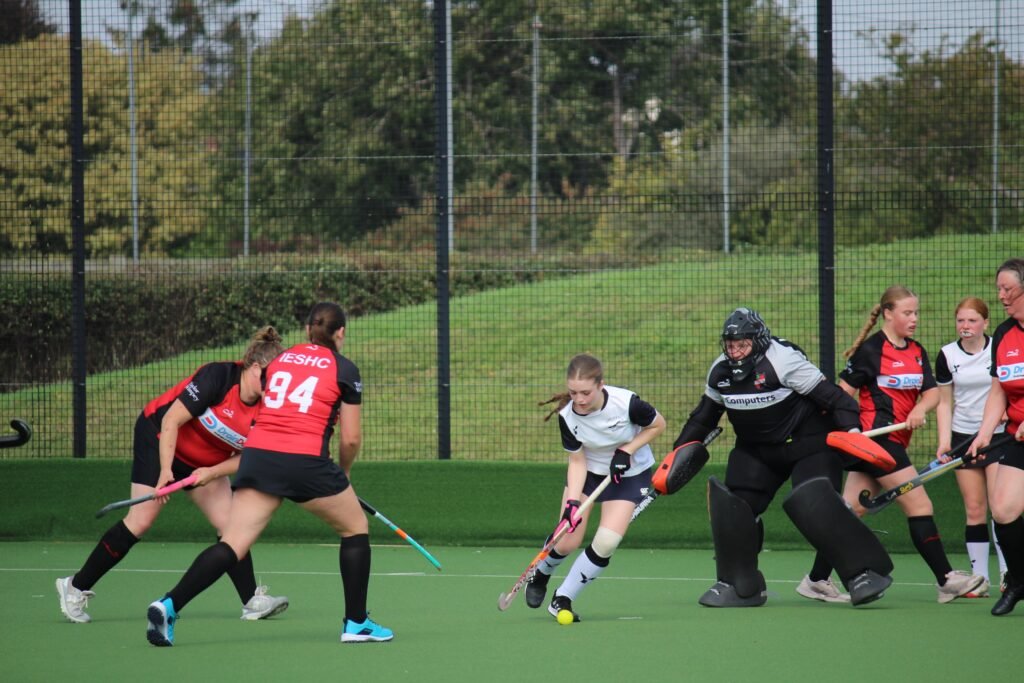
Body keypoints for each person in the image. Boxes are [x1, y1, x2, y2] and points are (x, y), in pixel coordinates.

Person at [145, 302, 392, 646]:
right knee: (354, 528)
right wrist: (343, 473)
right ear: (341, 333)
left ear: (307, 331)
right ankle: (357, 623)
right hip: (306, 462)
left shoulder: (278, 361)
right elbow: (350, 438)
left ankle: (168, 604)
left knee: (233, 542)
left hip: (258, 457)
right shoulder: (345, 369)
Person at [56, 327, 288, 624]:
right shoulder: (217, 378)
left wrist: (212, 472)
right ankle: (74, 587)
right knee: (141, 520)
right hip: (159, 438)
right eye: (272, 376)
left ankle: (251, 601)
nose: (277, 385)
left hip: (205, 459)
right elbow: (171, 420)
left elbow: (250, 457)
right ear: (254, 368)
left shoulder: (270, 406)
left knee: (232, 525)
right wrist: (166, 471)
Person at [674, 308, 894, 608]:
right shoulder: (720, 372)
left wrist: (853, 432)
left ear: (759, 341)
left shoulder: (783, 361)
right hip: (756, 450)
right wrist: (676, 454)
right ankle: (740, 585)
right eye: (730, 345)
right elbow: (704, 419)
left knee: (813, 503)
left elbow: (835, 398)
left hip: (809, 444)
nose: (735, 352)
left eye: (742, 345)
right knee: (733, 507)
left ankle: (864, 573)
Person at [807, 285, 984, 603]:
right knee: (920, 506)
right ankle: (945, 579)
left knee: (850, 512)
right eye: (907, 313)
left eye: (916, 312)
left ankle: (817, 579)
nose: (914, 318)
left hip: (894, 441)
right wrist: (845, 430)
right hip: (878, 442)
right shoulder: (871, 352)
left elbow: (931, 392)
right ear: (888, 314)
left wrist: (919, 408)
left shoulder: (916, 351)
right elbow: (840, 395)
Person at [525, 354, 665, 622]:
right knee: (568, 539)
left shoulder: (628, 404)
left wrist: (628, 450)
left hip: (630, 474)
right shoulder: (567, 416)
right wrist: (572, 503)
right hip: (588, 474)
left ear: (602, 385)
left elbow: (658, 425)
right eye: (573, 392)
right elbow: (576, 461)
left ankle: (562, 598)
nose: (579, 400)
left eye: (586, 392)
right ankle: (541, 572)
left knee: (607, 541)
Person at [935, 296, 1007, 597]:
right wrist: (944, 442)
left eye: (972, 320)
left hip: (998, 436)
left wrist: (1006, 413)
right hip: (964, 440)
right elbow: (944, 402)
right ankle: (979, 580)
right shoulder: (947, 355)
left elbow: (1006, 389)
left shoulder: (999, 349)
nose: (966, 326)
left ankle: (1009, 573)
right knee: (975, 509)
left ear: (985, 323)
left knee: (1002, 510)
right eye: (961, 321)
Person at [968, 258, 1024, 616]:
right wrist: (983, 434)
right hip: (1017, 436)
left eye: (1008, 289)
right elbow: (998, 390)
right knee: (1003, 509)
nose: (1001, 296)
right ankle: (1018, 581)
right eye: (999, 289)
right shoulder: (1005, 334)